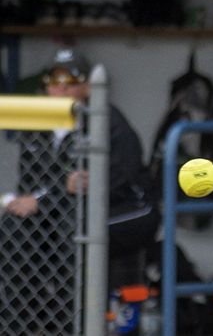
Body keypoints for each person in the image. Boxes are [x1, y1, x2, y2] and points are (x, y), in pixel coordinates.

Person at [0, 48, 160, 334]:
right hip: (64, 208)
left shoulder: (107, 120)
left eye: (72, 78)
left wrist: (48, 198)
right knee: (12, 227)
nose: (62, 86)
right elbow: (32, 188)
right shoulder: (40, 123)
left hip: (128, 208)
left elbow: (107, 185)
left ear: (87, 86)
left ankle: (75, 326)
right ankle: (21, 326)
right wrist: (31, 202)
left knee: (73, 230)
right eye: (54, 78)